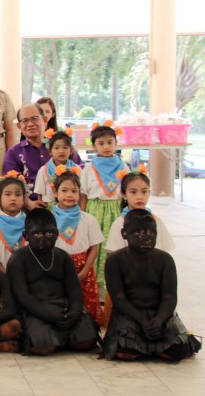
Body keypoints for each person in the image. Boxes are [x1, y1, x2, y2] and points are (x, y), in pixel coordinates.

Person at [101, 210, 201, 362]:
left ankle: (154, 345)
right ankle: (151, 348)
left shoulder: (165, 260)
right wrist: (142, 321)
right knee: (125, 351)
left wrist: (159, 319)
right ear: (124, 233)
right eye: (138, 232)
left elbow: (169, 297)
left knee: (178, 351)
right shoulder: (114, 260)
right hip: (129, 315)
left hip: (160, 313)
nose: (146, 238)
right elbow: (119, 299)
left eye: (151, 233)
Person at [6, 209, 99, 355]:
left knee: (87, 342)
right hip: (35, 311)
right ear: (26, 236)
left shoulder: (64, 257)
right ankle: (56, 338)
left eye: (49, 233)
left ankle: (62, 337)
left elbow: (74, 290)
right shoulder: (18, 259)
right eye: (37, 234)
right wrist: (49, 314)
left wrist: (74, 313)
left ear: (57, 234)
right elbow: (22, 296)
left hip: (64, 308)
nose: (43, 238)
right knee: (43, 347)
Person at [79, 122, 128, 295]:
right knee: (95, 246)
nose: (106, 147)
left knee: (114, 246)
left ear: (116, 143)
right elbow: (84, 194)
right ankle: (96, 287)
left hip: (116, 211)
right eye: (101, 143)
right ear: (94, 146)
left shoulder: (123, 166)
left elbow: (127, 191)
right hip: (95, 211)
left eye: (109, 142)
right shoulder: (89, 168)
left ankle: (113, 286)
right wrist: (82, 216)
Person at [3, 103, 82, 209]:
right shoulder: (14, 153)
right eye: (24, 121)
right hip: (29, 207)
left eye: (34, 118)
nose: (30, 124)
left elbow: (81, 176)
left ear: (44, 120)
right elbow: (11, 184)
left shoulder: (61, 146)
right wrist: (28, 203)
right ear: (19, 126)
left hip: (67, 204)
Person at [52, 170, 104, 324]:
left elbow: (94, 249)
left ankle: (88, 328)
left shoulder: (88, 219)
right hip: (56, 269)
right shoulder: (49, 219)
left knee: (86, 305)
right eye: (64, 190)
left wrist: (83, 273)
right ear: (55, 193)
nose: (69, 195)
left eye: (74, 191)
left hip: (83, 269)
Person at [106, 169, 176, 254]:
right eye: (133, 192)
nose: (139, 197)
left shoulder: (156, 221)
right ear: (124, 194)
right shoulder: (119, 223)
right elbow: (115, 255)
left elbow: (164, 252)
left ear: (149, 193)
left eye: (144, 191)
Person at [33, 130, 80, 208]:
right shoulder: (44, 170)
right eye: (56, 148)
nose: (61, 151)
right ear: (50, 151)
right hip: (50, 207)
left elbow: (81, 191)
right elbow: (40, 193)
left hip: (71, 206)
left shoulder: (76, 169)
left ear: (71, 150)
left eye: (65, 147)